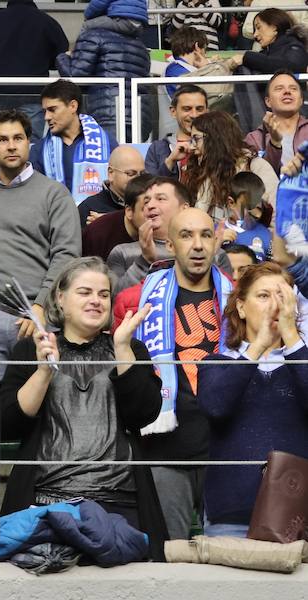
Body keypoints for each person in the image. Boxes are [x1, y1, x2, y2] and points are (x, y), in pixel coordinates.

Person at [0, 257, 167, 560]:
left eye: (103, 295)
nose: (96, 301)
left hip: (121, 503)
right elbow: (7, 424)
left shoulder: (130, 348)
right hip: (46, 501)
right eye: (85, 292)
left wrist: (123, 350)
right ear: (60, 299)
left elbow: (145, 413)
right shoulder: (30, 349)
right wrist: (43, 371)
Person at [0, 109, 80, 516]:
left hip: (38, 315)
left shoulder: (53, 193)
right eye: (1, 139)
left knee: (56, 410)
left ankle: (56, 501)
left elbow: (66, 255)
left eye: (17, 138)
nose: (10, 145)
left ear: (30, 143)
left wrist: (41, 305)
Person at [112, 208, 234, 540]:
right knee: (168, 559)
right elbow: (128, 380)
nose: (197, 245)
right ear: (170, 245)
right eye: (186, 235)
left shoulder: (239, 299)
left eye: (205, 235)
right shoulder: (137, 300)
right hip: (164, 449)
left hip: (225, 449)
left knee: (230, 561)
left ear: (216, 242)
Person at [197, 261, 308, 537]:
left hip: (299, 521)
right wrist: (258, 345)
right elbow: (216, 406)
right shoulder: (217, 362)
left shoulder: (301, 359)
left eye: (282, 296)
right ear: (242, 307)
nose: (275, 305)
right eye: (263, 296)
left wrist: (291, 336)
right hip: (230, 520)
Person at [55, 0, 151, 142]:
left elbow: (75, 78)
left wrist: (62, 57)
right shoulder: (141, 47)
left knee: (106, 163)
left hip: (106, 115)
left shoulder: (93, 35)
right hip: (139, 119)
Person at [0, 0, 67, 140]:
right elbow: (61, 55)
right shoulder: (47, 22)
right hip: (33, 92)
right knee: (31, 141)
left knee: (1, 141)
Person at [30, 79, 118, 206]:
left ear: (73, 106)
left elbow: (120, 188)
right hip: (55, 222)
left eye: (52, 109)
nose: (46, 117)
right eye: (45, 111)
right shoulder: (39, 150)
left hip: (98, 221)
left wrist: (106, 215)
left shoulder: (106, 143)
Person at [183, 111, 278, 224]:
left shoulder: (255, 167)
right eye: (191, 140)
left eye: (196, 139)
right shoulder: (198, 174)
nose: (191, 147)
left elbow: (277, 216)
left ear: (216, 139)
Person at [245, 70, 308, 176]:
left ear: (301, 100)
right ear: (268, 101)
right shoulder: (254, 139)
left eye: (293, 88)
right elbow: (257, 181)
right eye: (279, 88)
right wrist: (274, 143)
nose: (287, 91)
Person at [82, 173, 154, 261]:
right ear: (129, 212)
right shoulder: (98, 234)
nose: (155, 211)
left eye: (161, 200)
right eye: (147, 204)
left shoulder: (166, 228)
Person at [145, 84, 208, 178]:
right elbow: (149, 189)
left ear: (207, 111)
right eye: (187, 109)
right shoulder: (157, 149)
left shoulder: (218, 144)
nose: (194, 115)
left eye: (199, 109)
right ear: (173, 112)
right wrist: (170, 162)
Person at [77, 145, 145, 231]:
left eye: (142, 174)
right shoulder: (89, 208)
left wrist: (109, 221)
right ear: (111, 173)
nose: (138, 179)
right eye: (131, 173)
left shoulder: (149, 203)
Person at [227, 8, 308, 74]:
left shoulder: (294, 47)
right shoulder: (265, 53)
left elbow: (292, 67)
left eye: (258, 28)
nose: (255, 35)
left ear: (274, 27)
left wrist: (246, 58)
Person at [219, 171, 273, 261]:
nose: (257, 214)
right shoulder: (215, 232)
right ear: (231, 203)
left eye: (258, 207)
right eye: (249, 206)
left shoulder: (266, 235)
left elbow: (272, 269)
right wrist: (217, 244)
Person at [163, 27, 209, 100]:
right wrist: (207, 69)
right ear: (197, 47)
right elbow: (205, 97)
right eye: (205, 50)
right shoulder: (176, 70)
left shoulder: (176, 68)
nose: (205, 55)